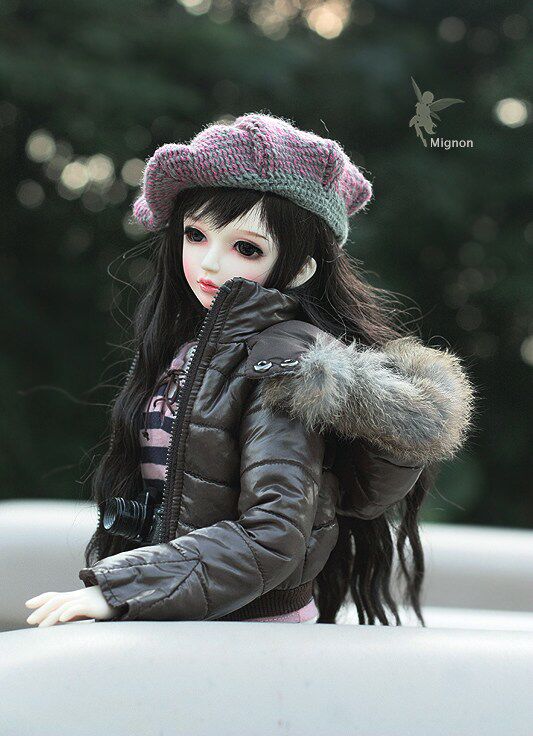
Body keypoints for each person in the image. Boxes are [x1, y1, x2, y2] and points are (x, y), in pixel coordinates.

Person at [24, 112, 476, 628]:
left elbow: (274, 535)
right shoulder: (190, 352)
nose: (209, 263)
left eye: (245, 248)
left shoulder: (287, 368)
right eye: (196, 235)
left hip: (251, 628)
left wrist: (123, 588)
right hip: (190, 611)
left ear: (300, 268)